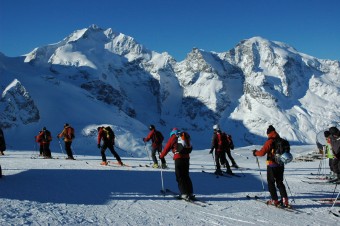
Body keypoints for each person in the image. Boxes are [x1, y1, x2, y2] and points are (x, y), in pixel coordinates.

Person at [252, 125, 289, 207]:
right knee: (280, 182)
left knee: (271, 182)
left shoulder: (270, 141)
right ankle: (285, 200)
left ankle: (274, 200)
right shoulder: (282, 141)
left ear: (269, 133)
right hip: (281, 164)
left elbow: (262, 153)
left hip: (272, 164)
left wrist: (255, 153)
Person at [159, 128, 194, 200]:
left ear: (172, 133)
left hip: (179, 158)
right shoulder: (183, 136)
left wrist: (161, 156)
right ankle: (190, 193)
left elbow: (166, 148)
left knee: (180, 176)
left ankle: (184, 194)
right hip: (186, 158)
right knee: (186, 175)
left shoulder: (173, 137)